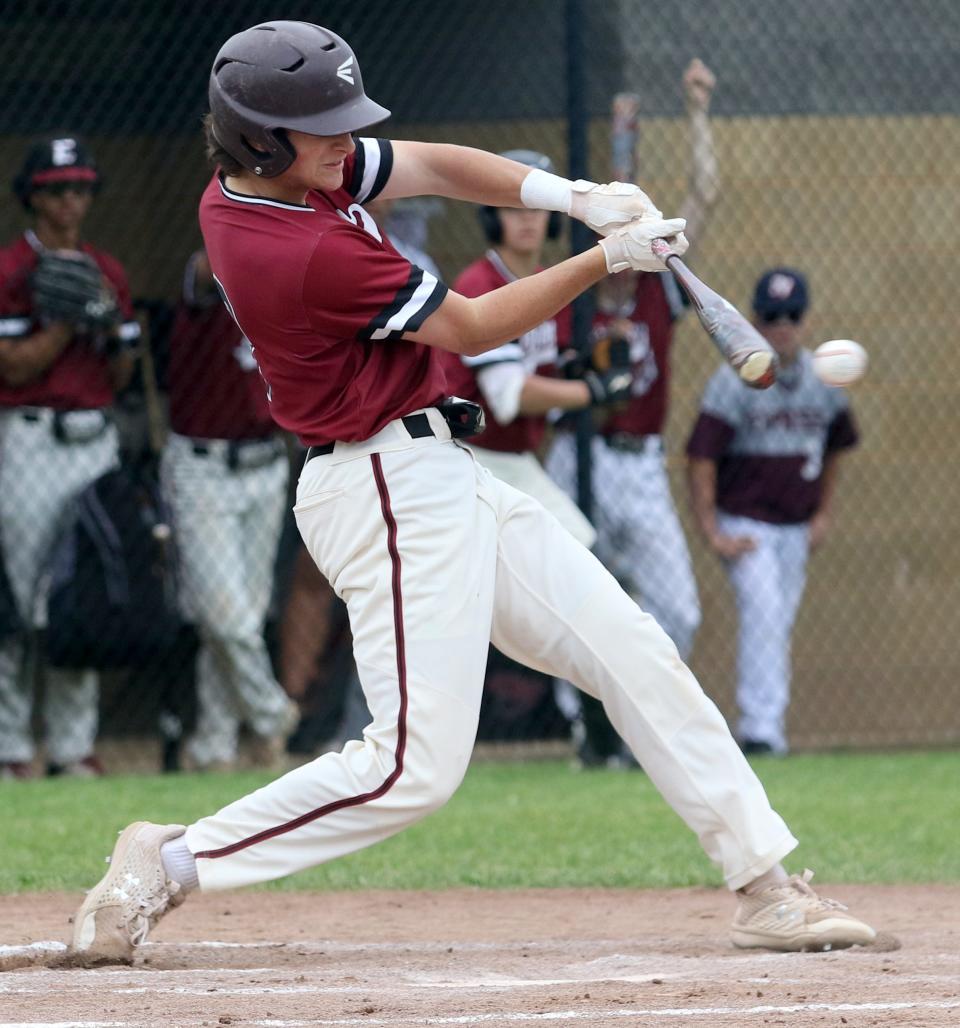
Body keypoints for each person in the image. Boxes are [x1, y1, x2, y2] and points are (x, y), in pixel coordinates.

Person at [69, 21, 874, 962]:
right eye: (325, 126)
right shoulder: (302, 251)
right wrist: (607, 259)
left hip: (441, 474)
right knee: (413, 767)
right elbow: (473, 327)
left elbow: (432, 164)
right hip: (381, 487)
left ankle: (766, 886)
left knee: (631, 649)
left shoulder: (276, 176)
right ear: (260, 140)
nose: (347, 140)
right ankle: (166, 863)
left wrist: (574, 197)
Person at [547, 59, 719, 766]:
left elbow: (706, 194)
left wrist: (699, 111)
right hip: (574, 457)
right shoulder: (570, 287)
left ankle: (634, 719)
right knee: (566, 611)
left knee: (678, 609)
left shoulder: (663, 288)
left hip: (640, 462)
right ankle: (587, 733)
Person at [0, 135, 141, 779]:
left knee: (78, 593)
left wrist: (106, 322)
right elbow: (15, 365)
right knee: (24, 601)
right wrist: (64, 320)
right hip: (28, 437)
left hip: (94, 440)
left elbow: (121, 376)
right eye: (58, 189)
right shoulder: (9, 270)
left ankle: (70, 745)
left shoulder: (108, 269)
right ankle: (9, 745)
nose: (70, 202)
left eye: (81, 188)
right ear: (33, 196)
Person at [686, 268, 860, 755]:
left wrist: (824, 515)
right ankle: (762, 731)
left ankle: (768, 726)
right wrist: (712, 529)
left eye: (792, 316)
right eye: (771, 317)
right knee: (763, 616)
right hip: (748, 523)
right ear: (754, 321)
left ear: (804, 320)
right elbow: (700, 457)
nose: (782, 326)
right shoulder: (734, 378)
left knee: (777, 622)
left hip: (796, 526)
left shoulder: (825, 379)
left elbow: (835, 449)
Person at [440, 148, 636, 550]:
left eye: (536, 207)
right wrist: (594, 392)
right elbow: (511, 396)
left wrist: (583, 365)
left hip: (509, 460)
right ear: (493, 216)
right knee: (574, 547)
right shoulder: (481, 284)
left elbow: (549, 366)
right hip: (467, 458)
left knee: (568, 552)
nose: (527, 217)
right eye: (514, 207)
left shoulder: (545, 281)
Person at [161, 248, 299, 771]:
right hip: (203, 466)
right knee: (227, 618)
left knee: (245, 612)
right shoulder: (212, 273)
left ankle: (213, 745)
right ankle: (272, 715)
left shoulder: (290, 290)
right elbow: (203, 270)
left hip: (265, 464)